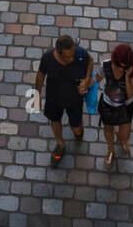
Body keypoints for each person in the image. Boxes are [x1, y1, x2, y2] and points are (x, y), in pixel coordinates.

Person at [35, 34, 94, 164]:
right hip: (54, 98)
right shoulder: (48, 58)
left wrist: (87, 79)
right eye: (68, 56)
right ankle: (60, 144)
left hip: (75, 98)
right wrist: (36, 96)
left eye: (73, 53)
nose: (73, 58)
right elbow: (40, 75)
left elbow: (90, 61)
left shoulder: (79, 53)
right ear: (58, 53)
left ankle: (78, 129)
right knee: (55, 120)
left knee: (77, 128)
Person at [96, 43, 133, 168]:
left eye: (124, 66)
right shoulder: (106, 65)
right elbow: (96, 80)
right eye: (119, 65)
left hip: (125, 106)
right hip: (107, 104)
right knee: (108, 128)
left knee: (124, 135)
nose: (121, 68)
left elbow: (131, 94)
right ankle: (111, 150)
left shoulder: (131, 70)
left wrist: (127, 76)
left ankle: (122, 138)